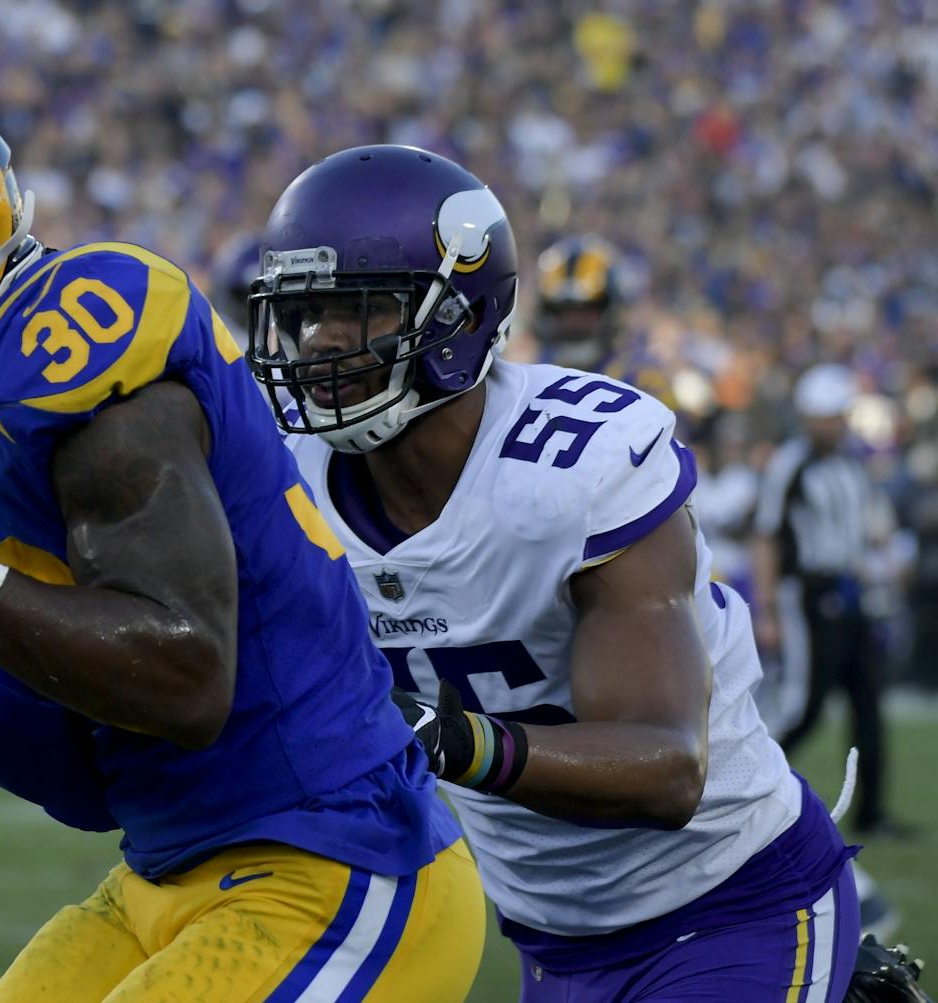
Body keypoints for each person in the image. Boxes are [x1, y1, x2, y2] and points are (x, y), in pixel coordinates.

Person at [0, 84, 481, 1001]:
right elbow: (90, 784)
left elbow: (188, 678)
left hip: (332, 858)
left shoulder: (66, 331)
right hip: (165, 871)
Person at [246, 144, 860, 1001]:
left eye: (364, 308)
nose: (322, 341)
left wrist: (449, 735)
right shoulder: (285, 471)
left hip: (733, 897)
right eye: (306, 313)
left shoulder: (577, 466)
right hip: (551, 937)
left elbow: (666, 766)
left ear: (459, 322)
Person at [753, 363, 899, 838]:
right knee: (803, 705)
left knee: (869, 703)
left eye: (836, 416)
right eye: (823, 416)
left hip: (851, 594)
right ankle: (744, 791)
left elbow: (864, 527)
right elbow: (767, 537)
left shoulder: (850, 463)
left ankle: (872, 814)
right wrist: (767, 608)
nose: (830, 425)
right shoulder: (791, 463)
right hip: (809, 597)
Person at [532, 233, 676, 409]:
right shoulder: (534, 376)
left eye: (587, 310)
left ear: (612, 309)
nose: (574, 321)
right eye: (563, 310)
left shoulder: (642, 377)